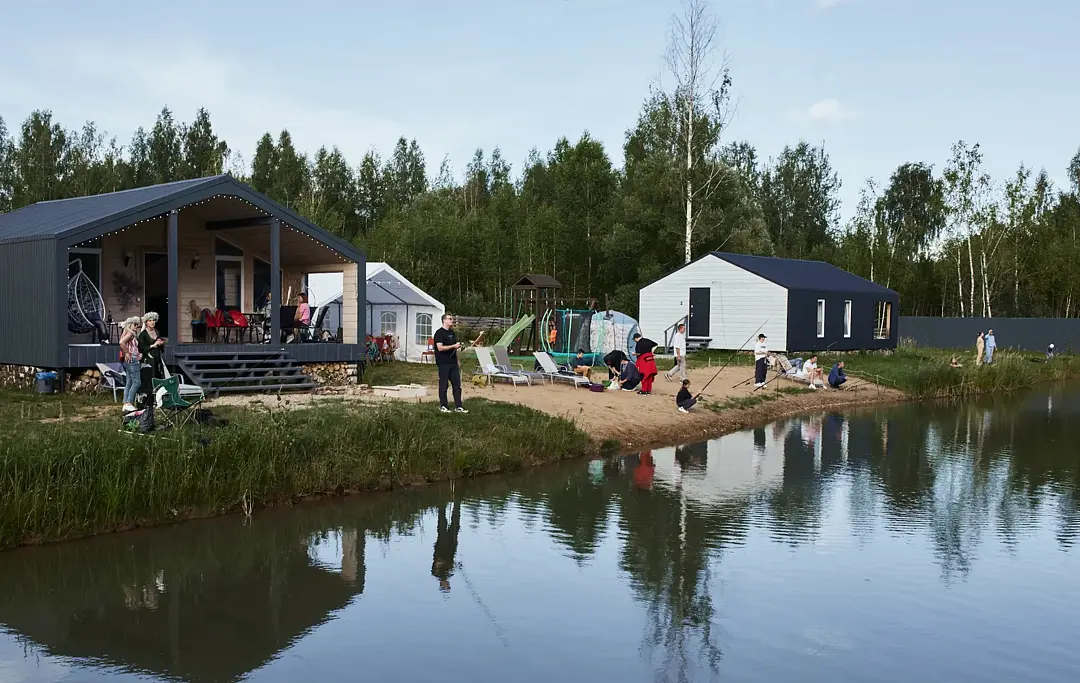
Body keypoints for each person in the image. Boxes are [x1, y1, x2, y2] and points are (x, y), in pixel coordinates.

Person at [432, 313, 467, 413]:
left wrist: (457, 360)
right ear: (444, 320)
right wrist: (453, 346)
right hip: (443, 363)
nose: (452, 320)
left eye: (452, 319)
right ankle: (443, 406)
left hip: (453, 363)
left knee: (457, 385)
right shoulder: (439, 333)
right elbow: (440, 348)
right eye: (450, 319)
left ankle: (458, 406)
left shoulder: (452, 332)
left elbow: (454, 349)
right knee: (444, 385)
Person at [137, 312, 167, 407]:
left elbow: (160, 345)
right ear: (146, 322)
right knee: (148, 378)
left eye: (153, 320)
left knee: (158, 377)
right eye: (150, 321)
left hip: (157, 358)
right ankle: (147, 402)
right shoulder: (143, 334)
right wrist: (153, 345)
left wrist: (160, 344)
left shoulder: (157, 332)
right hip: (148, 359)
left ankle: (158, 400)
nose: (152, 322)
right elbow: (141, 347)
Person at [431, 500, 461, 593]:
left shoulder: (435, 573)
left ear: (442, 584)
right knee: (456, 524)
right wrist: (455, 565)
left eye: (446, 585)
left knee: (442, 524)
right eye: (448, 585)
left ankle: (442, 502)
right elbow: (450, 563)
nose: (448, 583)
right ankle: (457, 502)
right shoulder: (449, 574)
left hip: (442, 545)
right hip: (452, 545)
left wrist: (447, 563)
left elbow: (437, 563)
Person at [118, 316, 143, 413]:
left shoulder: (125, 333)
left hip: (129, 360)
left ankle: (125, 404)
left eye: (137, 325)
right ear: (129, 325)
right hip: (132, 360)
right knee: (137, 382)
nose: (136, 327)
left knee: (129, 382)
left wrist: (138, 354)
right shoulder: (130, 333)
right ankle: (129, 403)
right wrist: (127, 352)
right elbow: (121, 342)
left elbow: (130, 346)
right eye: (135, 324)